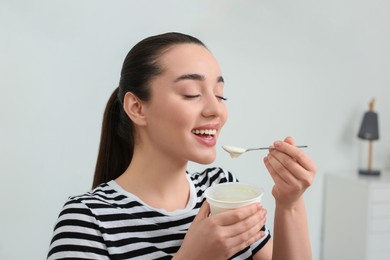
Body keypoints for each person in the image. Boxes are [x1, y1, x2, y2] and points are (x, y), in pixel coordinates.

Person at [47, 32, 316, 260]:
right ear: (137, 108)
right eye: (192, 94)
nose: (216, 110)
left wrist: (290, 203)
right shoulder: (87, 219)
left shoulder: (220, 190)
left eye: (220, 95)